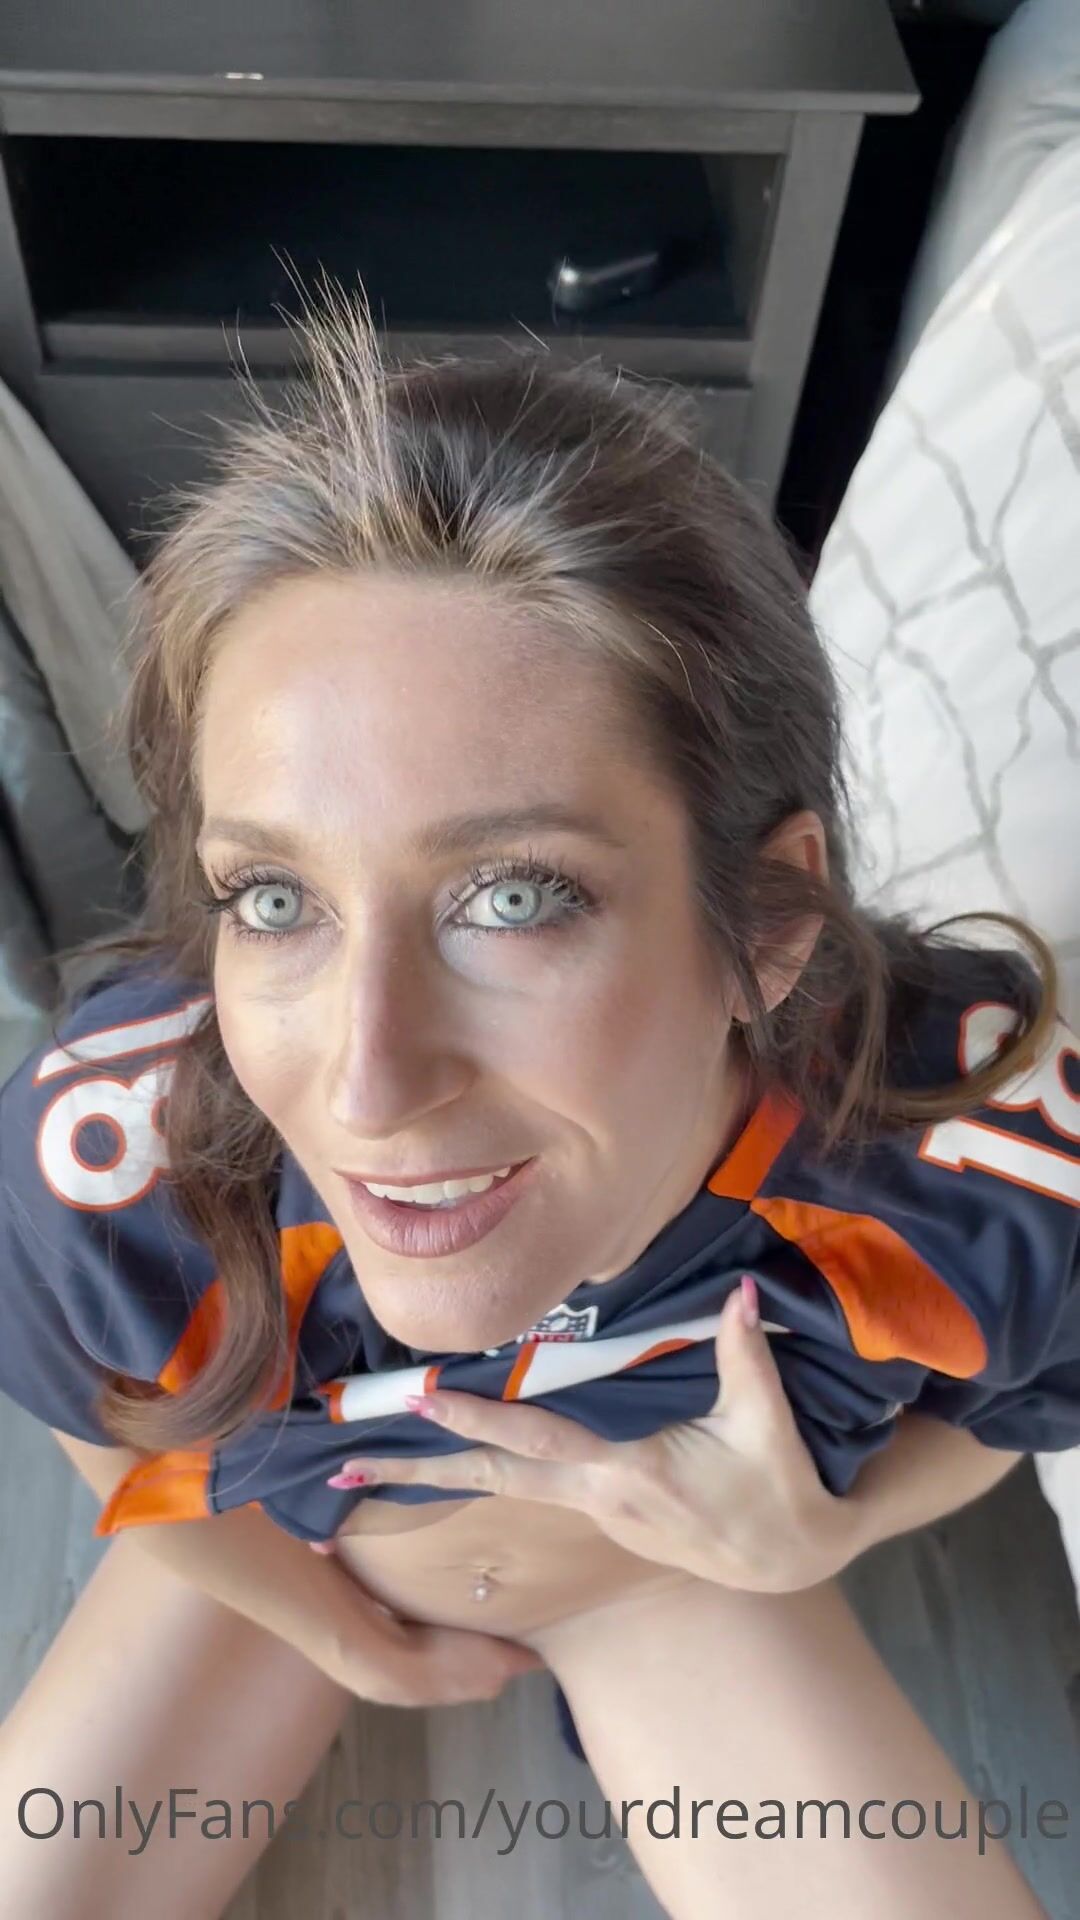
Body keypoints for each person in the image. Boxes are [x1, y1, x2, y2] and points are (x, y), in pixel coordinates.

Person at [0, 286, 1073, 1920]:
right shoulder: (115, 1155)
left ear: (768, 923)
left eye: (512, 899)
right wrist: (324, 1625)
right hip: (304, 1560)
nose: (364, 1087)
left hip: (673, 1573)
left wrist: (816, 1541)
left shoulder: (962, 1149)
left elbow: (1029, 1393)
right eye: (276, 899)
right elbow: (98, 1419)